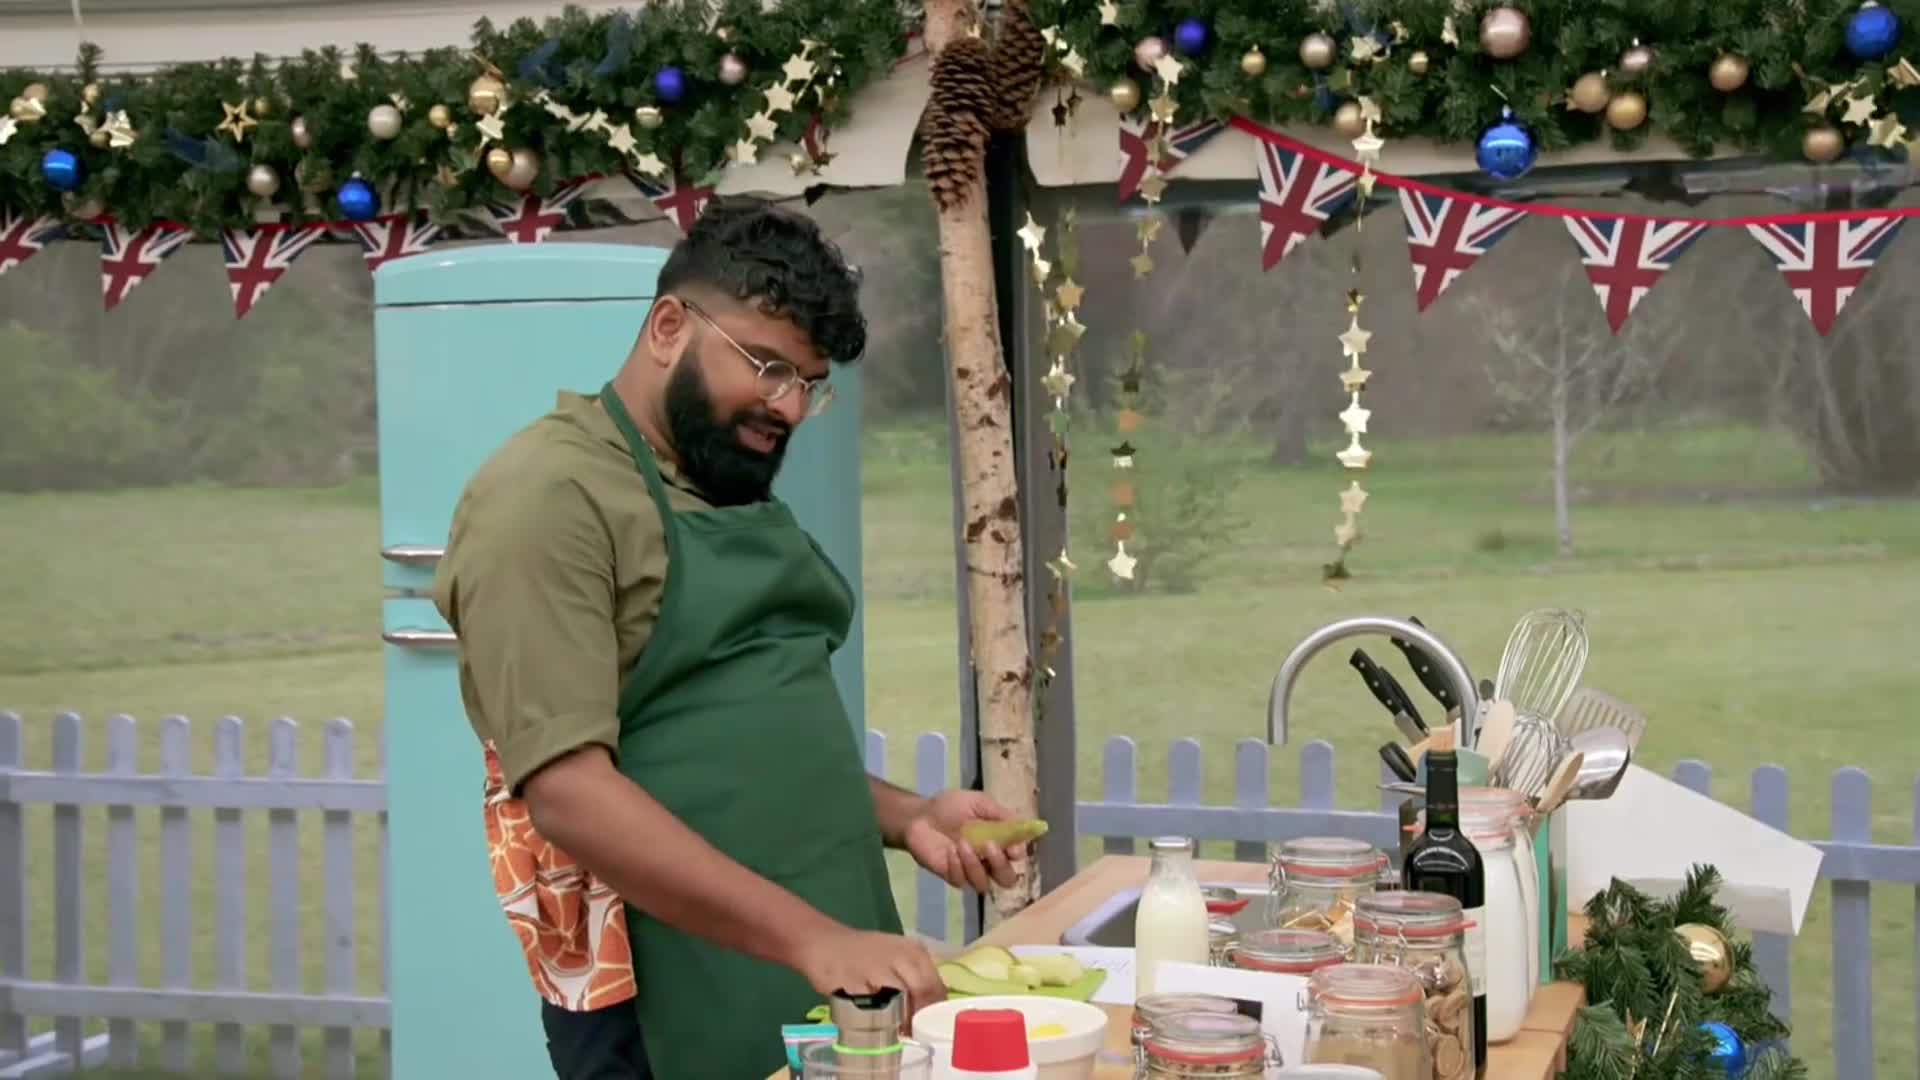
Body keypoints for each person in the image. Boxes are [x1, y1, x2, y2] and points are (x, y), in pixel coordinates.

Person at [432, 197, 1030, 1080]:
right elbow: (567, 791)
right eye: (767, 367)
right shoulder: (548, 497)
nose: (788, 406)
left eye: (808, 384)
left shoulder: (711, 477)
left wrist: (910, 818)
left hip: (822, 958)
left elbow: (732, 740)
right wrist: (814, 940)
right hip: (674, 988)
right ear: (669, 327)